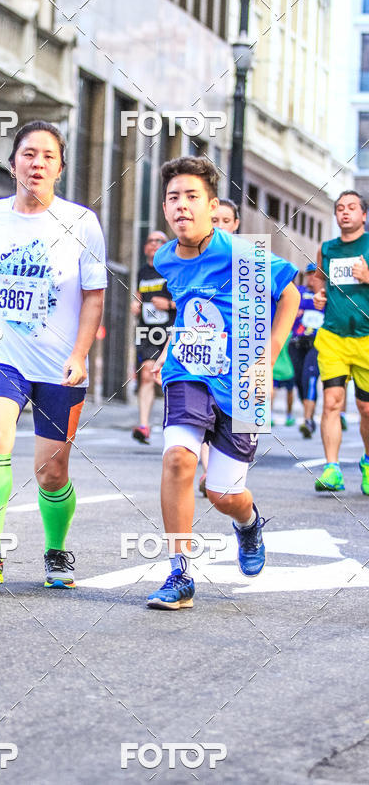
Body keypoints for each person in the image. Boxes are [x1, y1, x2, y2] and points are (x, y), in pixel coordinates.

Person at [0, 120, 107, 588]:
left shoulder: (82, 223)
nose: (37, 163)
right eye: (28, 154)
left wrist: (80, 354)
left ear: (60, 167)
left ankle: (57, 552)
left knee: (50, 471)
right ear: (13, 161)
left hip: (60, 365)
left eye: (47, 156)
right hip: (4, 352)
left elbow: (95, 296)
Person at [145, 156, 299, 610]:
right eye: (174, 198)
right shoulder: (164, 257)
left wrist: (269, 355)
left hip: (244, 380)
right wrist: (170, 346)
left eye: (192, 197)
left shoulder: (240, 251)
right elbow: (189, 304)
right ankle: (179, 573)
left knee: (223, 493)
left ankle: (248, 524)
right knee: (178, 459)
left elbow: (289, 294)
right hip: (188, 370)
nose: (181, 206)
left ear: (212, 207)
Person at [311, 190, 369, 493]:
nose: (344, 212)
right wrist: (319, 293)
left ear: (363, 214)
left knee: (366, 408)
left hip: (366, 339)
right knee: (332, 402)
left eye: (351, 208)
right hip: (333, 335)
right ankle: (331, 468)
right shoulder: (328, 248)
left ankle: (368, 463)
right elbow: (317, 278)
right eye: (340, 208)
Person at [198, 198, 242, 494]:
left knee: (230, 424)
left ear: (236, 224)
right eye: (215, 221)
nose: (221, 226)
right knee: (196, 414)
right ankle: (206, 470)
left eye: (226, 221)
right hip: (200, 350)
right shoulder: (192, 257)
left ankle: (222, 472)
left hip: (239, 353)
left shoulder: (249, 259)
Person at [131, 231, 176, 444]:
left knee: (169, 378)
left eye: (160, 241)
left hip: (170, 330)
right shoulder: (142, 272)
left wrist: (168, 305)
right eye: (151, 241)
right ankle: (143, 425)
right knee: (147, 374)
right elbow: (139, 295)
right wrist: (136, 304)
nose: (155, 244)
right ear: (145, 247)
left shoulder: (173, 270)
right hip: (148, 330)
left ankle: (176, 425)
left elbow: (189, 300)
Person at [289, 263, 323, 438]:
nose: (312, 277)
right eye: (309, 274)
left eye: (315, 274)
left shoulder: (327, 296)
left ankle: (307, 420)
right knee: (299, 381)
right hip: (296, 343)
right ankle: (308, 412)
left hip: (316, 345)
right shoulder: (299, 293)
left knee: (309, 378)